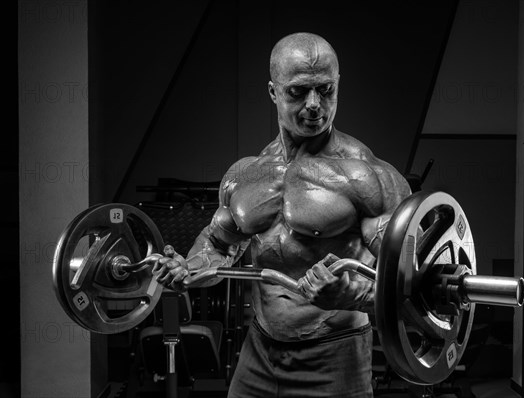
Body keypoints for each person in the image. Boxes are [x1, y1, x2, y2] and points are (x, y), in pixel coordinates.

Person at [152, 32, 411, 397]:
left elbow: (410, 289)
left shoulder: (367, 177)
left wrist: (351, 295)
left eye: (326, 90)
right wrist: (188, 270)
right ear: (273, 91)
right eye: (297, 91)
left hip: (335, 355)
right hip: (260, 350)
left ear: (338, 85)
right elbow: (217, 246)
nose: (314, 105)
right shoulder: (244, 174)